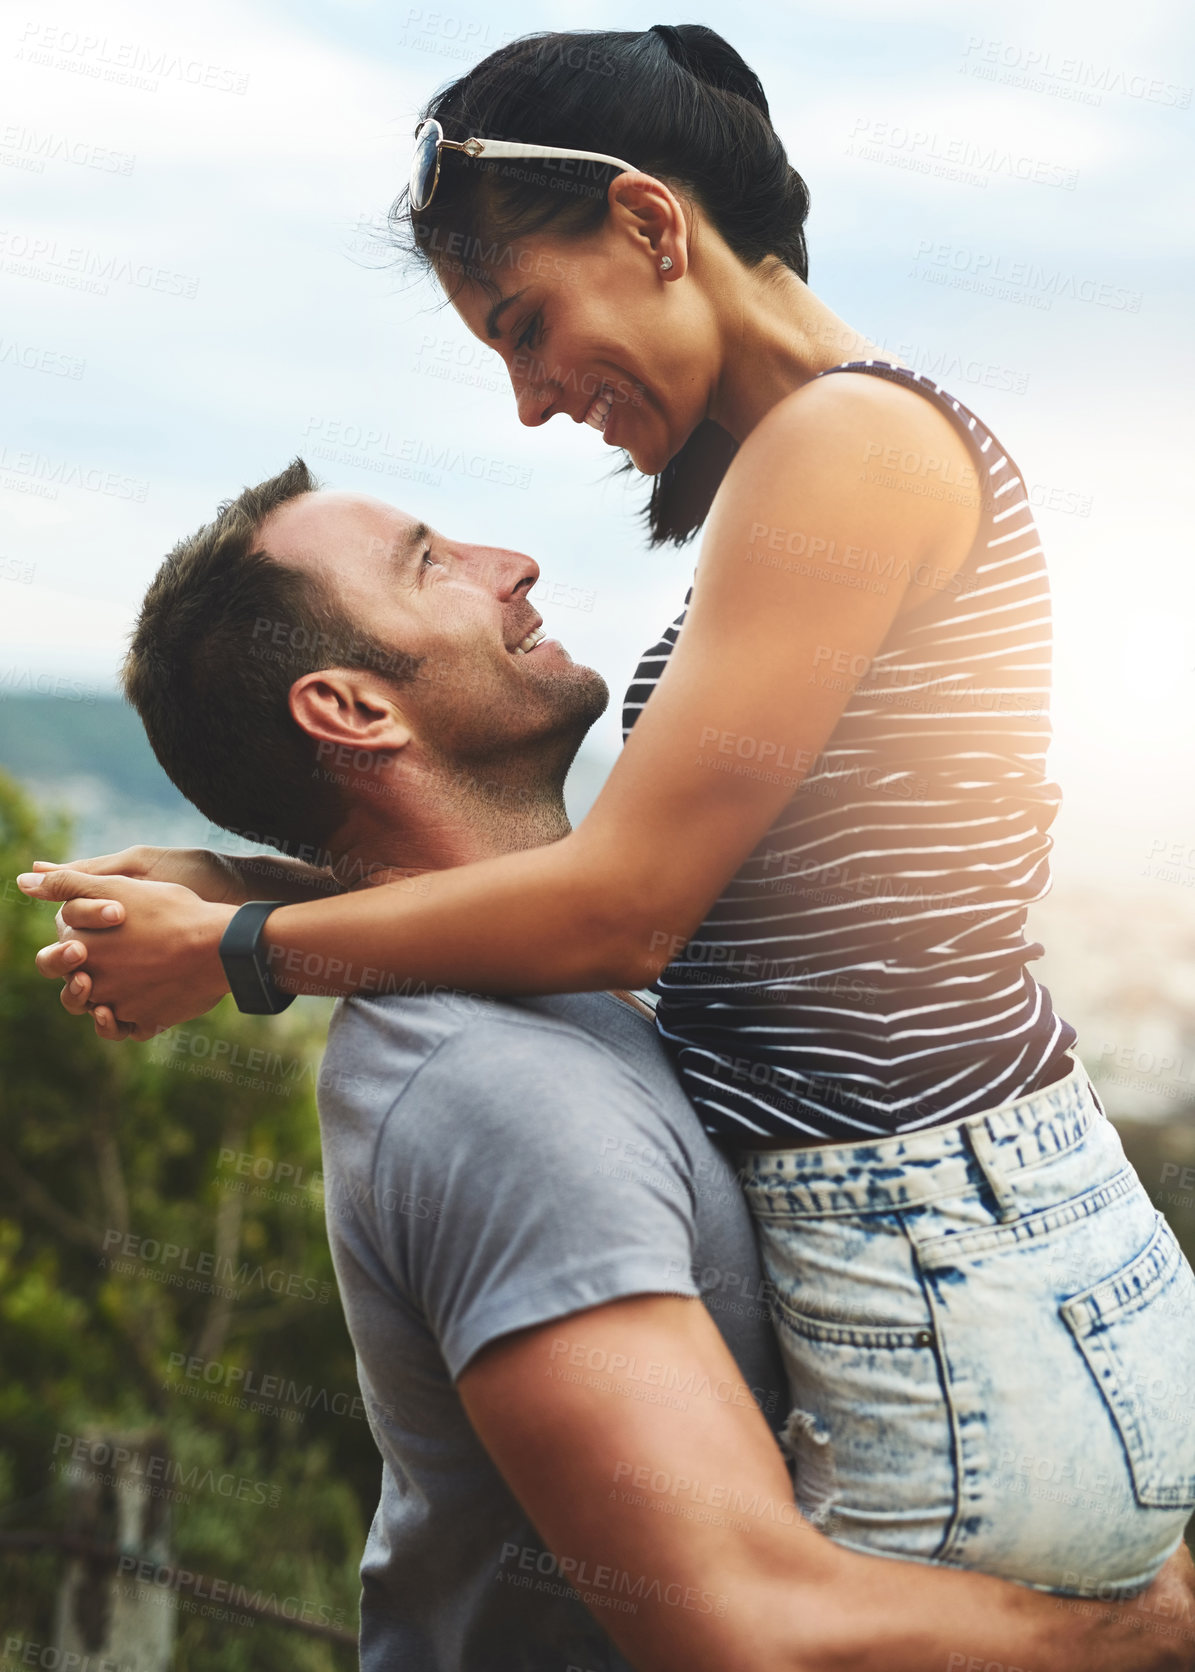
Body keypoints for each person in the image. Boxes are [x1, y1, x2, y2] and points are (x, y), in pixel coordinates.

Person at [22, 23, 1195, 1599]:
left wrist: (241, 946)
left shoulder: (840, 446)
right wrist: (236, 867)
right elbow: (701, 894)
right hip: (946, 1252)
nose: (523, 401)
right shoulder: (830, 449)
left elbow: (627, 910)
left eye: (524, 322)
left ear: (651, 224)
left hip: (937, 1259)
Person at [28, 465, 1195, 1671]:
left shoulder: (580, 981)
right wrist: (1149, 1633)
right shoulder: (497, 1094)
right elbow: (743, 1627)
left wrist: (245, 895)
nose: (511, 562)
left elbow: (554, 912)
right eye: (431, 562)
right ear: (354, 710)